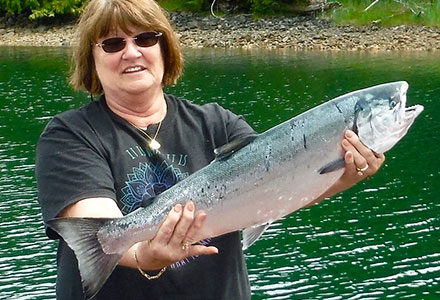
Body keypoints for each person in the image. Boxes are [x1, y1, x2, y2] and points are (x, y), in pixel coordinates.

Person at [35, 0, 385, 299]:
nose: (132, 52)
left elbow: (278, 190)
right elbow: (102, 231)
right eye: (112, 44)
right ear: (91, 59)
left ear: (164, 48)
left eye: (145, 38)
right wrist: (145, 255)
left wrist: (340, 174)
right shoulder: (69, 135)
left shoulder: (218, 123)